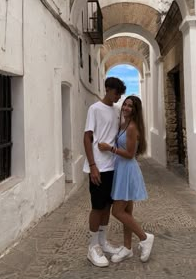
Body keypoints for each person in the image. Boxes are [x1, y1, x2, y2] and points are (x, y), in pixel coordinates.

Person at [98, 95, 154, 263]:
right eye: (125, 105)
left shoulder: (132, 127)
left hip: (127, 170)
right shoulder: (124, 124)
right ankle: (127, 248)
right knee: (127, 212)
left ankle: (144, 238)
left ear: (135, 110)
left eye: (130, 106)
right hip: (121, 169)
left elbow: (130, 154)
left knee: (117, 211)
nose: (126, 108)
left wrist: (110, 148)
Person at [83, 77, 126, 267]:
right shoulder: (94, 109)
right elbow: (87, 137)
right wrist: (92, 166)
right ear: (108, 89)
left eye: (120, 95)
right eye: (116, 93)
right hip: (99, 167)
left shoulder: (117, 111)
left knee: (107, 206)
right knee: (97, 206)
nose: (118, 98)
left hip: (113, 165)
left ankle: (102, 242)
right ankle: (92, 247)